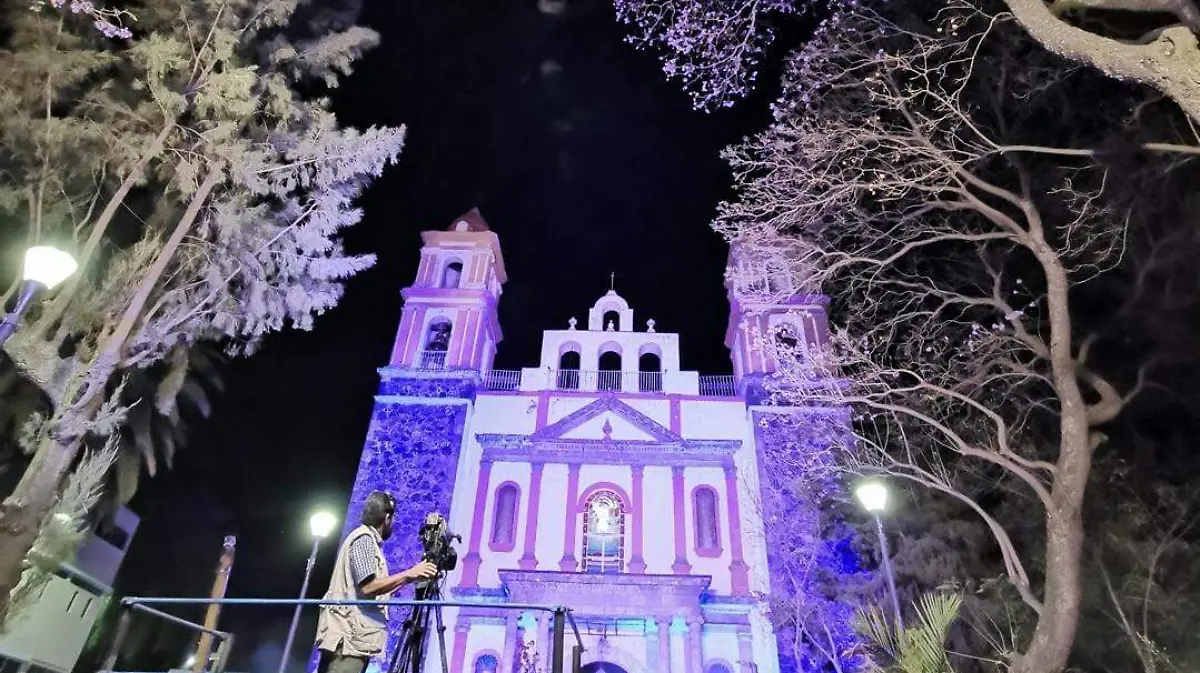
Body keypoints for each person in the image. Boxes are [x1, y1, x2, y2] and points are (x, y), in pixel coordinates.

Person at [315, 491, 438, 673]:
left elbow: (376, 590)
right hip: (347, 642)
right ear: (387, 518)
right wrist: (410, 573)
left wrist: (410, 577)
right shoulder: (363, 539)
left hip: (353, 641)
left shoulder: (368, 541)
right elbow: (369, 587)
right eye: (393, 519)